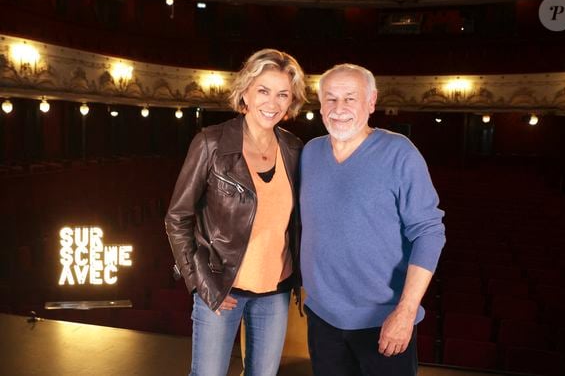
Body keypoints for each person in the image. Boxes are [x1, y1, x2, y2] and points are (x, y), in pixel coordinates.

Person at [165, 48, 307, 376]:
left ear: (291, 101)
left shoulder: (294, 149)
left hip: (275, 292)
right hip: (221, 287)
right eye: (263, 91)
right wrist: (201, 282)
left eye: (283, 94)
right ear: (245, 91)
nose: (272, 102)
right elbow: (177, 217)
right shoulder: (210, 143)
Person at [300, 64, 445, 376]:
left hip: (383, 321)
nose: (339, 109)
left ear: (371, 101)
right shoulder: (310, 153)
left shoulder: (399, 153)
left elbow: (430, 233)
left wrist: (405, 312)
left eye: (350, 98)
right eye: (331, 98)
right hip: (322, 319)